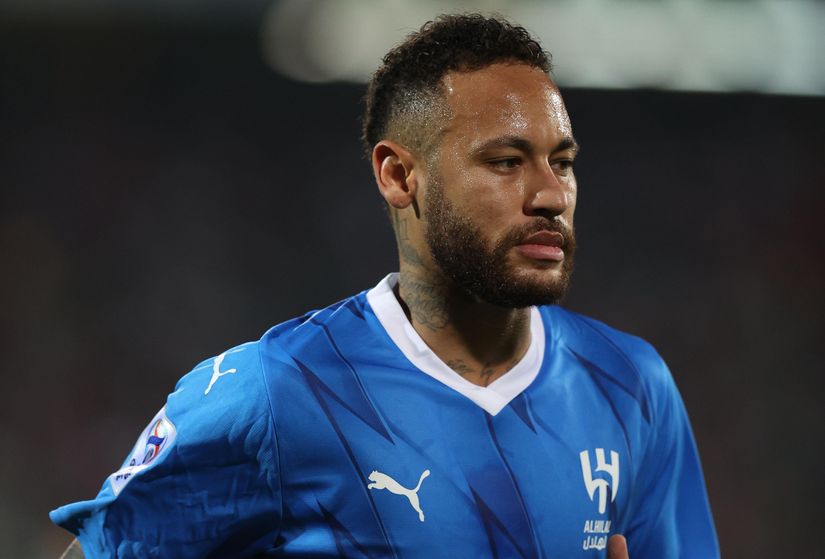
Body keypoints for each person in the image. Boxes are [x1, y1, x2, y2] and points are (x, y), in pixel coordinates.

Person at [51, 13, 719, 559]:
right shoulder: (276, 390)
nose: (549, 193)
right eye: (506, 161)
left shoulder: (631, 384)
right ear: (400, 176)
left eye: (562, 162)